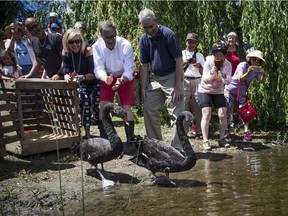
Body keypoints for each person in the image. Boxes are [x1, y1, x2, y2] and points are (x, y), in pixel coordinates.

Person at [138, 8, 184, 151]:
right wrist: (143, 88)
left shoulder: (168, 35)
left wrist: (177, 86)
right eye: (145, 28)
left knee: (176, 114)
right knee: (149, 108)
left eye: (151, 27)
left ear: (156, 21)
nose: (149, 30)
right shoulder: (144, 39)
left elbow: (179, 60)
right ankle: (157, 146)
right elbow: (144, 65)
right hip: (155, 78)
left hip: (172, 76)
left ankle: (178, 149)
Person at [92, 20, 135, 154]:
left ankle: (130, 142)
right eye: (107, 37)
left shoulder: (125, 45)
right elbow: (98, 68)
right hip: (107, 76)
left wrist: (121, 80)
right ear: (101, 35)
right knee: (103, 108)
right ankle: (107, 142)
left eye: (112, 36)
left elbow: (129, 69)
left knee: (126, 108)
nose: (110, 40)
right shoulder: (97, 46)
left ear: (115, 34)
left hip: (125, 77)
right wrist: (106, 79)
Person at [224, 50, 266, 141]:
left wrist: (264, 75)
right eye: (254, 59)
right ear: (250, 59)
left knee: (245, 111)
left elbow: (261, 81)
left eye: (258, 61)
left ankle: (246, 132)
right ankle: (225, 130)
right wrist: (248, 73)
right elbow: (240, 79)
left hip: (241, 92)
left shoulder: (257, 70)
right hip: (230, 89)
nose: (256, 62)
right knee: (227, 109)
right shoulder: (243, 65)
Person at [198, 42, 232, 151]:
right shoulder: (208, 62)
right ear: (213, 55)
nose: (219, 57)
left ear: (224, 55)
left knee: (222, 114)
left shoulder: (228, 65)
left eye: (221, 55)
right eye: (216, 55)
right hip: (205, 90)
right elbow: (205, 80)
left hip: (218, 91)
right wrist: (213, 72)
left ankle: (222, 139)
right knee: (207, 114)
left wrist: (223, 74)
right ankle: (205, 141)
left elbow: (227, 82)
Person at [62, 28, 96, 139]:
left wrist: (81, 77)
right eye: (71, 42)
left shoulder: (88, 50)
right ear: (66, 43)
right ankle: (77, 133)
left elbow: (93, 73)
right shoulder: (65, 52)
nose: (75, 44)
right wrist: (67, 77)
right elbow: (66, 71)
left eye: (78, 41)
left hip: (91, 80)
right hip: (78, 82)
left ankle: (89, 133)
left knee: (92, 102)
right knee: (82, 98)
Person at [182, 32, 204, 139]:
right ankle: (184, 131)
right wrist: (184, 63)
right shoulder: (181, 54)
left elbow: (204, 72)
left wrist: (199, 66)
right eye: (189, 42)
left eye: (193, 42)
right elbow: (176, 70)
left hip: (197, 80)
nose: (191, 44)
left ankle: (199, 131)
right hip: (184, 80)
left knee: (198, 106)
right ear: (186, 42)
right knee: (183, 106)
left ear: (196, 44)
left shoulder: (199, 55)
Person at [225, 31, 242, 131]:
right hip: (227, 78)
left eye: (233, 38)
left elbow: (244, 63)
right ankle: (230, 122)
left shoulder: (240, 51)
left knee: (239, 100)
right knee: (228, 101)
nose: (231, 39)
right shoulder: (224, 50)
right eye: (229, 38)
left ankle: (241, 122)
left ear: (236, 40)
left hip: (238, 78)